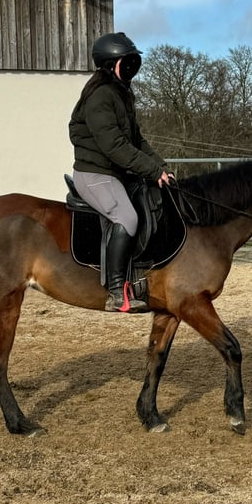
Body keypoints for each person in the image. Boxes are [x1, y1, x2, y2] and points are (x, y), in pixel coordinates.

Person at [69, 32, 174, 312]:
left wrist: (161, 167)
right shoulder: (100, 97)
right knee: (126, 216)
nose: (131, 68)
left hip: (115, 173)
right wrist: (150, 170)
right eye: (126, 63)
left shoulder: (121, 94)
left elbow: (137, 141)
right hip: (95, 174)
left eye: (133, 62)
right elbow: (114, 146)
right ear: (110, 65)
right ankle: (116, 291)